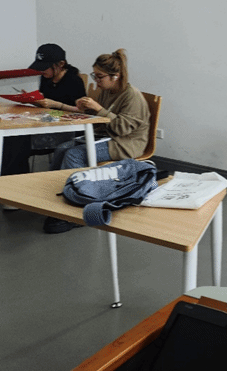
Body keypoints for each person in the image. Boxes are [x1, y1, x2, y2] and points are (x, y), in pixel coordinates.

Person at [45, 49, 150, 234]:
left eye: (100, 77)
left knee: (74, 154)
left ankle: (76, 209)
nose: (96, 81)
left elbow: (122, 129)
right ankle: (56, 197)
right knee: (62, 149)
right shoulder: (107, 90)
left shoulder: (132, 96)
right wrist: (86, 109)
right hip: (107, 136)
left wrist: (99, 109)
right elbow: (101, 119)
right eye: (94, 75)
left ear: (115, 76)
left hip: (126, 143)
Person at [1, 44, 86, 177]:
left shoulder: (74, 81)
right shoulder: (46, 79)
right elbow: (47, 106)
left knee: (18, 141)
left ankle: (15, 179)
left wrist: (57, 105)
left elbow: (82, 112)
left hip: (67, 129)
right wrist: (32, 101)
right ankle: (10, 179)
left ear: (61, 64)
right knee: (10, 138)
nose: (41, 71)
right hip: (48, 122)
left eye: (45, 67)